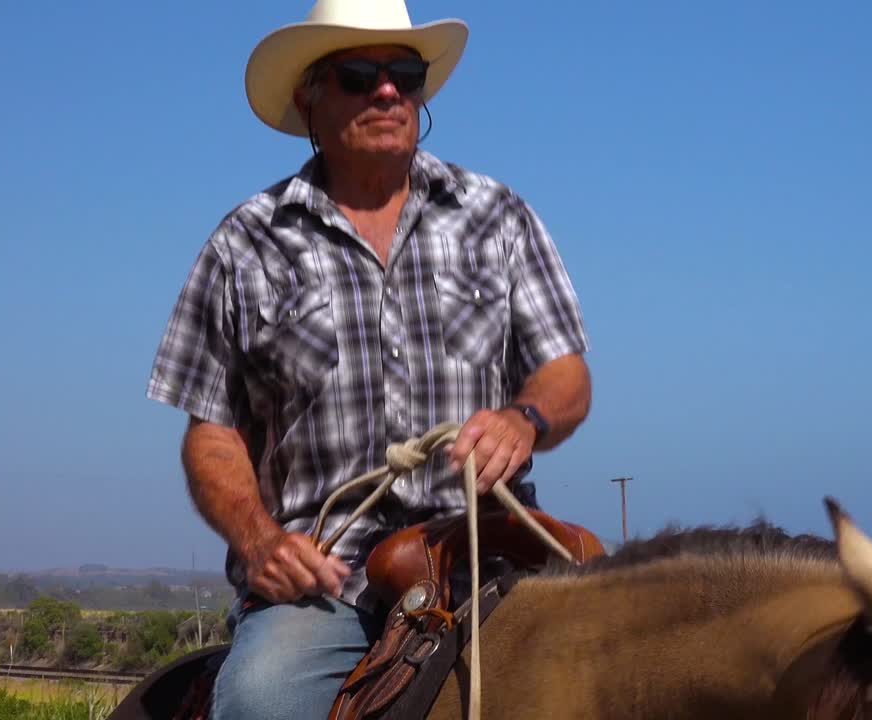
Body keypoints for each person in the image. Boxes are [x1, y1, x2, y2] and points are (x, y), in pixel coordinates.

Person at [144, 1, 592, 717]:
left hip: (487, 550)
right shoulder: (246, 242)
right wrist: (260, 542)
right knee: (261, 698)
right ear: (309, 101)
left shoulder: (497, 215)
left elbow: (565, 374)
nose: (387, 92)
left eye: (404, 75)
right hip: (327, 577)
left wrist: (524, 418)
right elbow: (211, 432)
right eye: (358, 75)